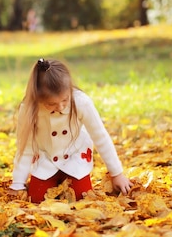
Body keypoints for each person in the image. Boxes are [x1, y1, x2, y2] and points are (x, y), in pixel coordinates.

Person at [10, 58, 132, 203]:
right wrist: (18, 182)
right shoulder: (30, 109)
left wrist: (117, 174)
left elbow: (100, 137)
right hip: (45, 159)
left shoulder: (81, 102)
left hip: (75, 157)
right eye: (51, 104)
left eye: (65, 100)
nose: (61, 107)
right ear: (38, 97)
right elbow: (25, 146)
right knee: (36, 200)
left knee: (82, 199)